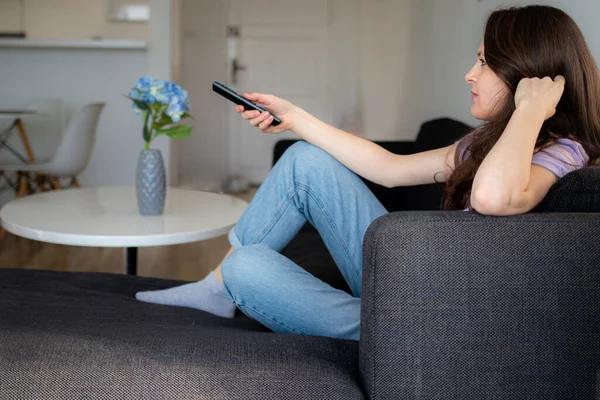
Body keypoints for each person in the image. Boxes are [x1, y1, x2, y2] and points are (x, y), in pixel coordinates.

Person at [135, 5, 600, 341]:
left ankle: (374, 331)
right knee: (302, 160)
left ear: (525, 75)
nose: (469, 74)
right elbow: (390, 169)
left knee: (248, 268)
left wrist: (530, 111)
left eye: (483, 61)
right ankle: (216, 289)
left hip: (438, 316)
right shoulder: (485, 143)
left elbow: (493, 198)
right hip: (410, 281)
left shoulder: (564, 153)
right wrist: (296, 118)